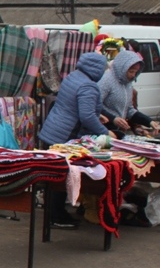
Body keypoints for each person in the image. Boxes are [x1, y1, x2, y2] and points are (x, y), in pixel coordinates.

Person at [38, 51, 115, 228]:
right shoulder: (88, 86)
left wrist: (99, 115)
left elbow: (75, 106)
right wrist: (105, 133)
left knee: (55, 173)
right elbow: (86, 116)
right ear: (96, 69)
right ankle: (56, 216)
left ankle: (53, 212)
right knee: (62, 174)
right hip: (66, 134)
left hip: (54, 128)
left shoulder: (74, 76)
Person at [99, 49, 160, 138]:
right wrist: (113, 119)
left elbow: (130, 110)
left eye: (135, 72)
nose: (133, 75)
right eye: (131, 71)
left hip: (118, 131)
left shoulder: (127, 83)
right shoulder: (106, 81)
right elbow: (94, 105)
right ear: (122, 67)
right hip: (104, 130)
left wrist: (150, 122)